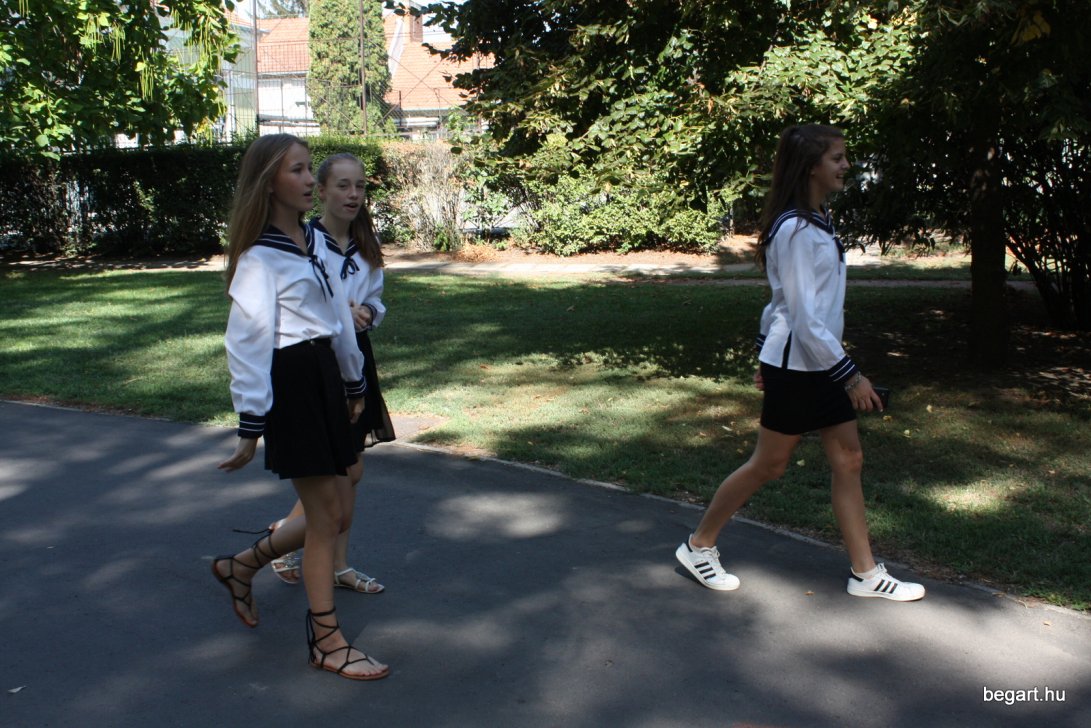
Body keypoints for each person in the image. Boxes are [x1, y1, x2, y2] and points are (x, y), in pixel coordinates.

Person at [674, 124, 925, 602]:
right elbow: (802, 318)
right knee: (769, 464)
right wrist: (850, 376)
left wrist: (766, 351)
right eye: (837, 158)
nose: (846, 165)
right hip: (800, 367)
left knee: (849, 459)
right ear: (811, 167)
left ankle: (866, 574)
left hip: (816, 362)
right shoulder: (794, 229)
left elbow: (781, 305)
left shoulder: (817, 221)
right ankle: (698, 546)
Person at [210, 133, 390, 681]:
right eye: (298, 170)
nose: (310, 180)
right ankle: (327, 642)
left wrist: (353, 383)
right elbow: (246, 342)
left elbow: (338, 318)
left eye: (310, 168)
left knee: (336, 511)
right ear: (269, 182)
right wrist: (250, 423)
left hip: (327, 378)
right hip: (292, 384)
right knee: (327, 517)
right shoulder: (260, 258)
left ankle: (242, 565)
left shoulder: (313, 243)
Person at [267, 152, 396, 594]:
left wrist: (367, 313)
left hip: (356, 356)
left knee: (351, 471)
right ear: (321, 191)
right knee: (338, 470)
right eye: (343, 185)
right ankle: (282, 541)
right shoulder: (306, 241)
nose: (353, 194)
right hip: (319, 360)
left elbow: (375, 299)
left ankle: (336, 563)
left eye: (359, 186)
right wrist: (339, 312)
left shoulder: (366, 244)